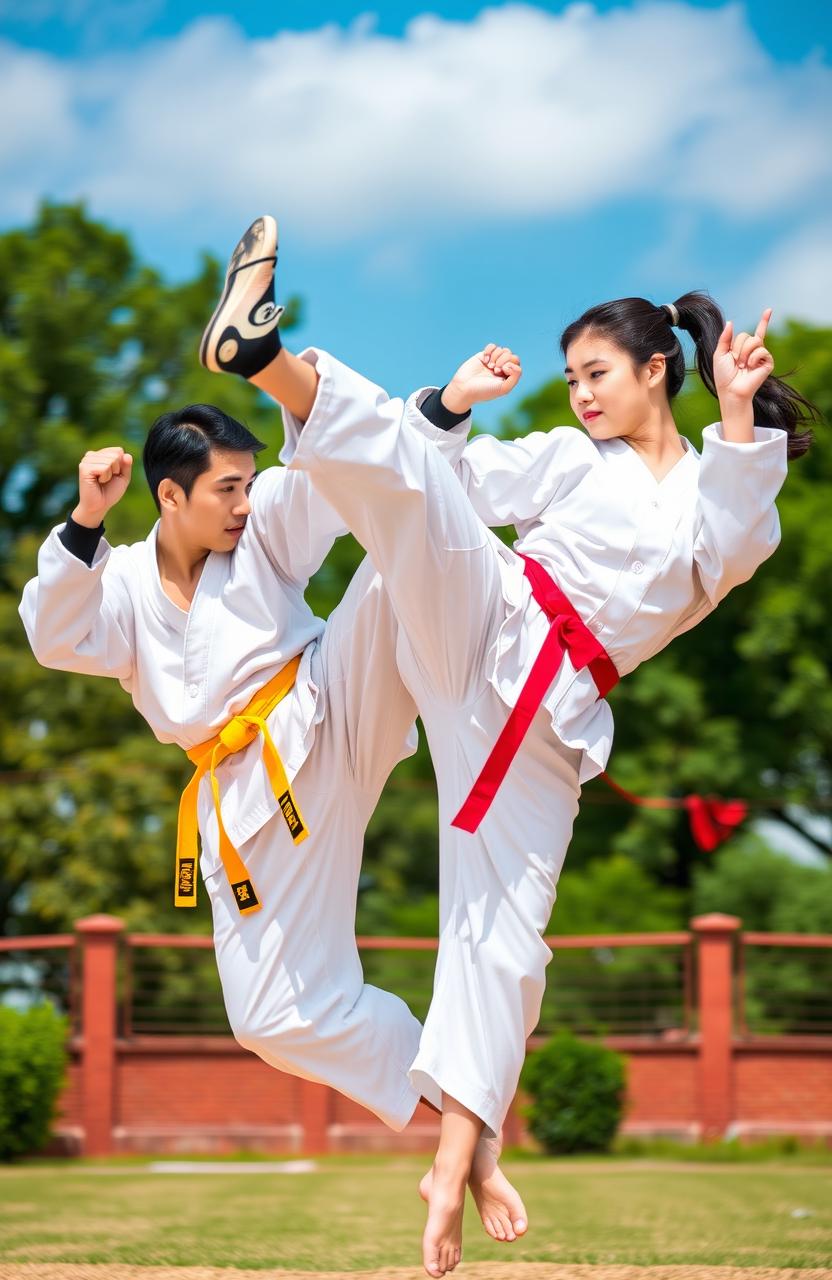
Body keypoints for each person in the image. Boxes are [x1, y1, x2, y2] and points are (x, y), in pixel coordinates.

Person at [201, 216, 818, 1278]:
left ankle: (457, 1155)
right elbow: (453, 480)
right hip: (488, 614)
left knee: (505, 938)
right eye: (572, 374)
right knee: (419, 502)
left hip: (552, 714)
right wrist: (441, 408)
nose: (579, 392)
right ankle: (264, 358)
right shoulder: (571, 462)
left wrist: (733, 413)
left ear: (656, 369)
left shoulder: (724, 507)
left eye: (597, 373)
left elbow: (728, 532)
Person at [18, 220, 527, 1235]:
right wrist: (80, 517)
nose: (248, 504)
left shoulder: (270, 530)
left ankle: (280, 363)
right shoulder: (115, 586)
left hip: (329, 697)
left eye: (252, 484)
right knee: (273, 1017)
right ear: (169, 496)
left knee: (398, 539)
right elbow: (50, 631)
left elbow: (348, 480)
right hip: (245, 800)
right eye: (225, 489)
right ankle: (466, 1128)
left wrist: (446, 402)